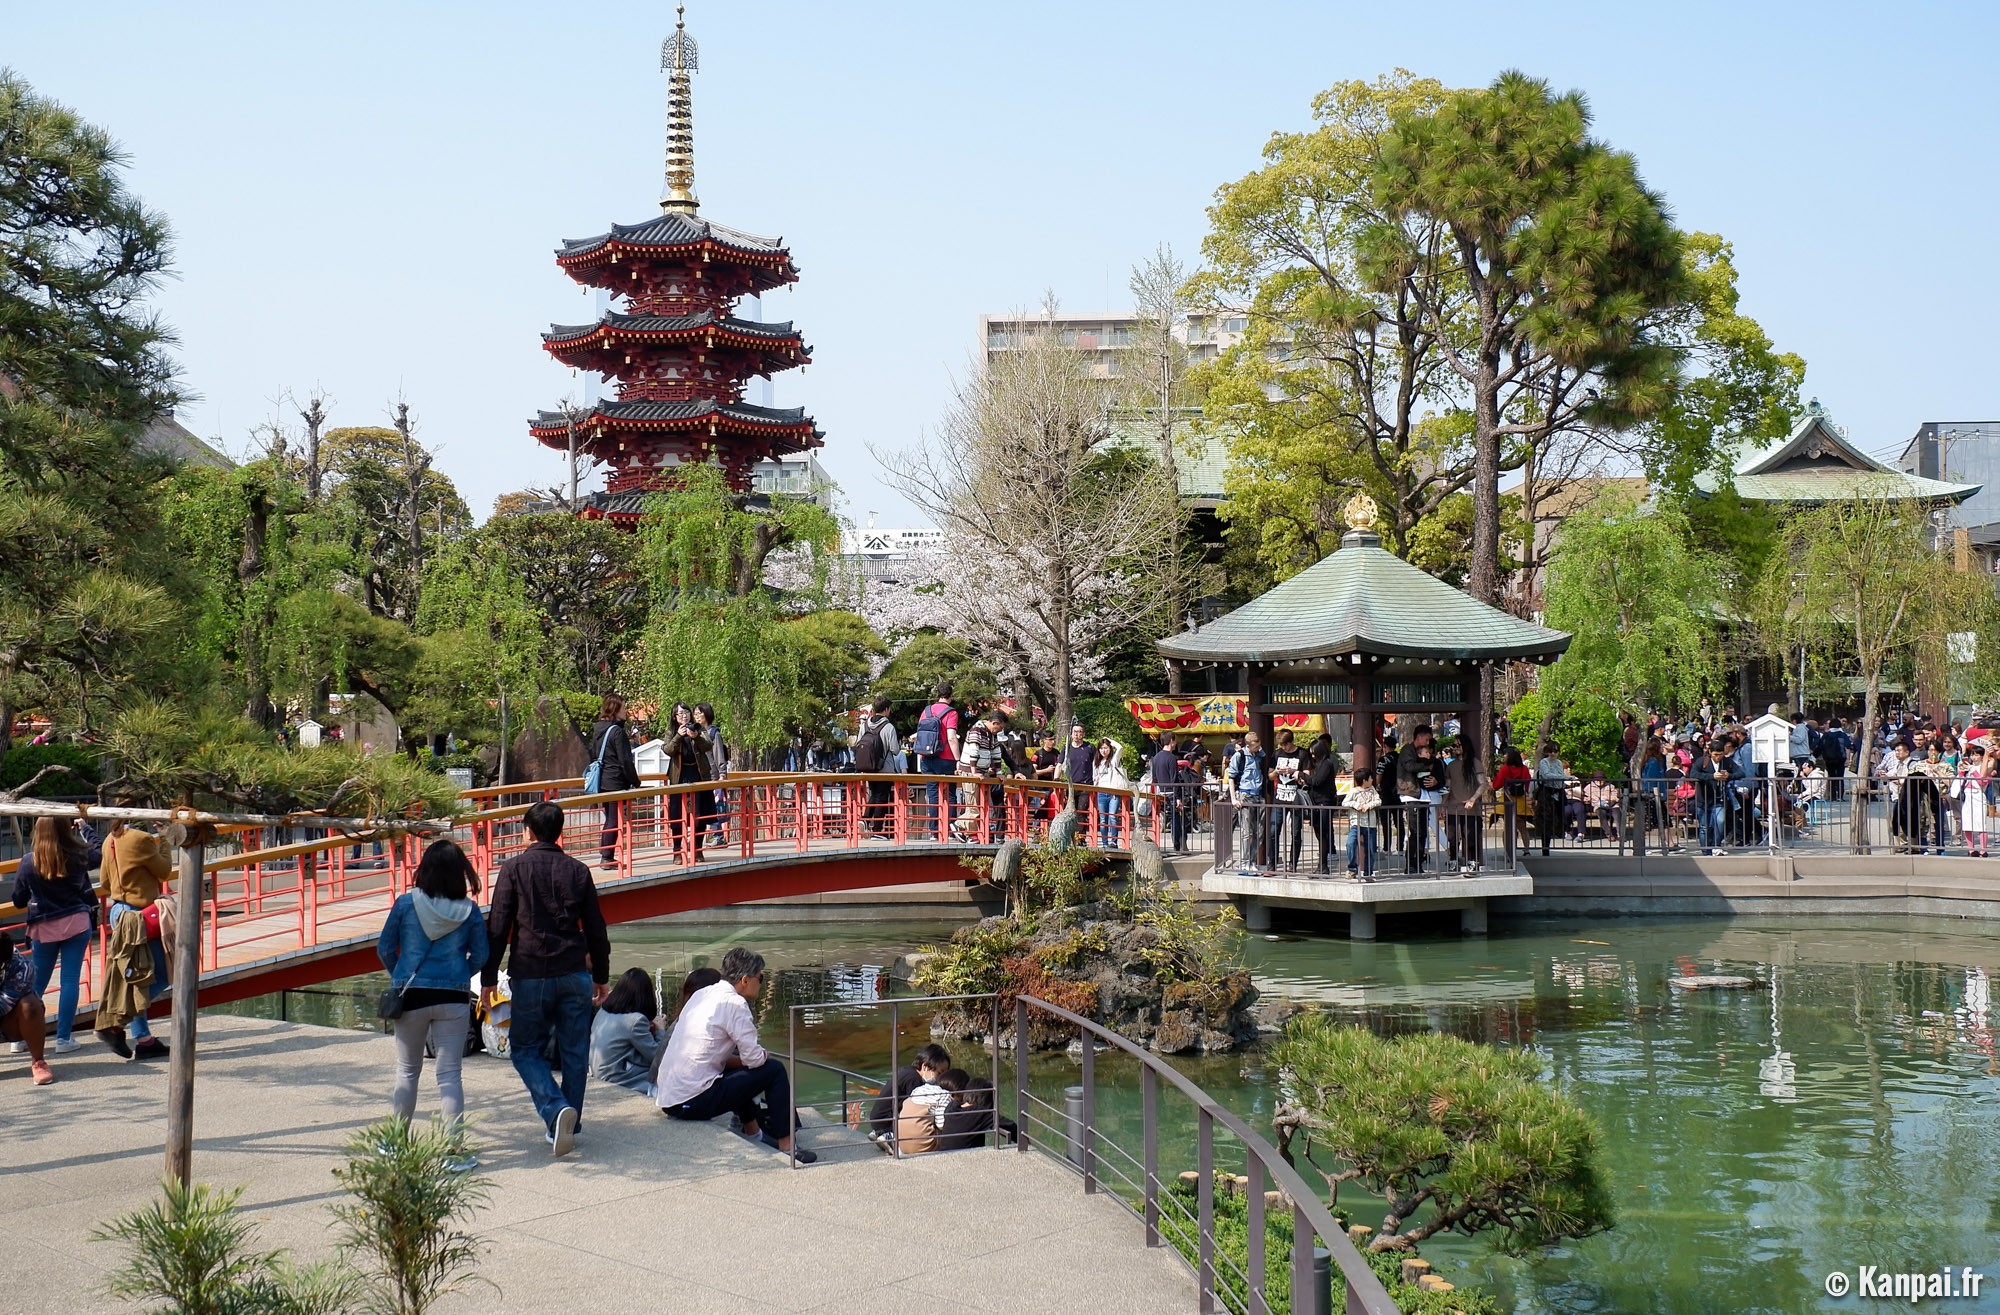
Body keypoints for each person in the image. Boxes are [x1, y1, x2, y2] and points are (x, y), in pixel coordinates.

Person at [481, 801, 611, 1157]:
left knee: (525, 1049)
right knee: (575, 1052)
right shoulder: (578, 871)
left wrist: (489, 977)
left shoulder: (513, 868)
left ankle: (555, 1110)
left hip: (531, 972)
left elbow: (498, 926)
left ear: (528, 831)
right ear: (560, 832)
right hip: (573, 971)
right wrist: (601, 975)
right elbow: (596, 927)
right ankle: (568, 1124)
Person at [655, 947, 815, 1163]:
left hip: (670, 1098)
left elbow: (715, 1057)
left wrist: (746, 1061)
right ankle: (787, 1146)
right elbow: (754, 1059)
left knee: (742, 1069)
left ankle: (753, 1132)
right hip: (692, 1101)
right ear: (745, 980)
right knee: (774, 1070)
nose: (761, 983)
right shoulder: (735, 1004)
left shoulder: (703, 994)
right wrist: (763, 1055)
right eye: (760, 978)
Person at [378, 839, 489, 1149]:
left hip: (411, 996)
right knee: (450, 1075)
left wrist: (400, 976)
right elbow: (481, 955)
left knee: (407, 1072)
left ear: (424, 869)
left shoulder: (405, 904)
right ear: (460, 873)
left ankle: (395, 1145)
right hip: (453, 998)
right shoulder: (469, 911)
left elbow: (385, 948)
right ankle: (453, 1151)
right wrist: (460, 976)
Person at [11, 818, 96, 1059]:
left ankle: (20, 1038)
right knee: (70, 980)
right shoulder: (78, 856)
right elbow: (99, 852)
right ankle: (63, 1038)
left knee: (34, 983)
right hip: (76, 922)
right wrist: (85, 828)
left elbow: (18, 900)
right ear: (65, 829)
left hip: (43, 926)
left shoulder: (29, 861)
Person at [98, 819, 175, 1058]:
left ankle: (144, 1040)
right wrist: (164, 840)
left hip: (118, 912)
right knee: (162, 973)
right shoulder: (141, 839)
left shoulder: (109, 839)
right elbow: (164, 871)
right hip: (139, 918)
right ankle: (116, 1023)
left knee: (135, 978)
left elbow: (104, 881)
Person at [585, 694, 642, 871]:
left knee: (610, 818)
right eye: (623, 707)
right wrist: (636, 781)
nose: (626, 710)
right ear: (615, 710)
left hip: (603, 781)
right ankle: (607, 856)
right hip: (616, 781)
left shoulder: (599, 730)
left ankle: (606, 855)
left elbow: (593, 754)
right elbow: (625, 760)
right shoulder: (617, 732)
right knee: (614, 820)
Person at [590, 967, 663, 1095]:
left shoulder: (603, 1012)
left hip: (599, 1072)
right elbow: (658, 1057)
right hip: (618, 1079)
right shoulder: (635, 1021)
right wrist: (661, 1030)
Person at [868, 1042, 950, 1142]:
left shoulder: (908, 1072)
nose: (941, 1078)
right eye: (939, 1073)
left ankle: (880, 1132)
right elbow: (916, 1108)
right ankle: (889, 1135)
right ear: (925, 1067)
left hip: (878, 1118)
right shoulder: (914, 1080)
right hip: (887, 1120)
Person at [911, 682, 962, 839]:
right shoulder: (951, 712)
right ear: (950, 696)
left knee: (932, 794)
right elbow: (951, 737)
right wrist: (958, 759)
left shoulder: (926, 711)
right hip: (946, 758)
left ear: (937, 694)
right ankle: (950, 830)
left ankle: (934, 831)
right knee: (950, 793)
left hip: (926, 757)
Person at [0, 932, 53, 1084]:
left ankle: (39, 1063)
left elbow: (4, 1004)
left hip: (9, 1019)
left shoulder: (22, 967)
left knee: (30, 1005)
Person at [664, 702, 711, 862]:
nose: (684, 716)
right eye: (680, 713)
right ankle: (677, 851)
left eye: (686, 712)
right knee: (677, 815)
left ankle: (697, 849)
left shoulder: (698, 728)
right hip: (679, 776)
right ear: (675, 717)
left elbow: (708, 745)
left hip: (698, 774)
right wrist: (678, 736)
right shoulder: (671, 731)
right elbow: (667, 750)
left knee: (701, 814)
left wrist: (696, 737)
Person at [895, 1067, 965, 1155]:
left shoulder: (919, 1089)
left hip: (902, 1145)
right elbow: (942, 1124)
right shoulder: (945, 1096)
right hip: (924, 1147)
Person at [1227, 730, 1269, 871]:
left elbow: (1263, 755)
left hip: (1258, 795)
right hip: (1245, 795)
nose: (1258, 748)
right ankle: (1245, 862)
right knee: (1247, 832)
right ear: (1248, 745)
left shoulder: (1258, 754)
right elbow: (1231, 778)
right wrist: (1234, 799)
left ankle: (1252, 860)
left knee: (1259, 831)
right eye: (1255, 746)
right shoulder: (1239, 756)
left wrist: (1259, 750)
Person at [1442, 742, 1486, 873]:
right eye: (1454, 745)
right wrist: (1443, 804)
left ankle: (1473, 862)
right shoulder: (1451, 765)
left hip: (1470, 807)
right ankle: (1453, 860)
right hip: (1453, 806)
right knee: (1452, 836)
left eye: (1458, 745)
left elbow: (1483, 784)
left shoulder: (1475, 763)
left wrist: (1473, 799)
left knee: (1470, 836)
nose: (1455, 748)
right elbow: (1448, 786)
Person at [1694, 740, 1742, 854]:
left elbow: (1741, 773)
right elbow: (1693, 774)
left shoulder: (1726, 761)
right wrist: (1711, 776)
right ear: (1710, 752)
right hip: (1703, 798)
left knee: (1720, 821)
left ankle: (1716, 845)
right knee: (1704, 827)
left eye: (1720, 754)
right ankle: (1706, 851)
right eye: (1715, 754)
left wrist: (1729, 775)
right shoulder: (1702, 761)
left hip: (1719, 798)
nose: (1718, 757)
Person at [693, 703, 729, 847]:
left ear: (707, 714)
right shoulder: (695, 732)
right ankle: (710, 835)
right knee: (705, 806)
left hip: (712, 774)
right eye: (695, 713)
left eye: (699, 713)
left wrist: (722, 773)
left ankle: (718, 835)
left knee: (714, 805)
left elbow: (719, 754)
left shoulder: (714, 733)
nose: (697, 716)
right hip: (700, 775)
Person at [1305, 734, 1342, 874]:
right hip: (1317, 801)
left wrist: (1302, 775)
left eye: (1314, 753)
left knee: (1323, 833)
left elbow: (1317, 781)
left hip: (1324, 801)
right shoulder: (1319, 764)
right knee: (1319, 834)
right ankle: (1322, 865)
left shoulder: (1326, 763)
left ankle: (1323, 865)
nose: (1312, 756)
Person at [1269, 731, 1305, 870]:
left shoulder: (1302, 754)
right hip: (1279, 797)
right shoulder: (1277, 754)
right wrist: (1276, 772)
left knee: (1295, 832)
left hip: (1296, 798)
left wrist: (1293, 772)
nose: (1284, 747)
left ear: (1291, 742)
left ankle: (1292, 864)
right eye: (1281, 745)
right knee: (1273, 830)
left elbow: (1307, 774)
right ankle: (1272, 863)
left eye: (1285, 744)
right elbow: (1270, 775)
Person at [1492, 746, 1532, 866]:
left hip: (1508, 799)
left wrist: (1492, 785)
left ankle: (1509, 851)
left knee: (1508, 828)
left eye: (1505, 754)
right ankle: (1526, 850)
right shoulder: (1524, 769)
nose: (1504, 756)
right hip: (1521, 800)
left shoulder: (1505, 768)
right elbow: (1528, 783)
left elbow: (1497, 785)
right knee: (1522, 827)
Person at [1151, 731, 1188, 854]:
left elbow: (1154, 777)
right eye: (1175, 740)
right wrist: (1178, 798)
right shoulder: (1172, 758)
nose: (1176, 743)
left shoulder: (1155, 758)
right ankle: (1179, 845)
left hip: (1161, 792)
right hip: (1172, 793)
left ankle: (1174, 845)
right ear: (1171, 741)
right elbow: (1174, 779)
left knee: (1168, 819)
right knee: (1177, 820)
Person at [1092, 737, 1131, 848]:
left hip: (1113, 793)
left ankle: (1114, 842)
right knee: (1103, 819)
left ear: (1110, 748)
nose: (1103, 750)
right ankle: (1104, 843)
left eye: (1106, 748)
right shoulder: (1096, 763)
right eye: (1101, 748)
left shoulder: (1113, 760)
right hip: (1101, 792)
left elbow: (1120, 748)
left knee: (1113, 816)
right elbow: (1094, 778)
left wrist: (1110, 741)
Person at [1532, 743, 1569, 856]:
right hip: (1546, 793)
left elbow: (1559, 775)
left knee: (1559, 818)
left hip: (1558, 792)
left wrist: (1563, 781)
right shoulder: (1544, 762)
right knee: (1546, 821)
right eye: (1551, 751)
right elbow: (1546, 775)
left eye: (1555, 751)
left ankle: (1560, 834)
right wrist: (1564, 777)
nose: (1553, 754)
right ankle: (1545, 849)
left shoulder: (1558, 762)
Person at [1343, 767, 1381, 878]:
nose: (1372, 780)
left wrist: (1369, 805)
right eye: (1370, 778)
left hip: (1370, 824)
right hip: (1356, 823)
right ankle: (1352, 868)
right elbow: (1345, 803)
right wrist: (1356, 805)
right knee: (1350, 844)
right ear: (1364, 780)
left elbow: (1378, 800)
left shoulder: (1372, 790)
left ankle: (1368, 873)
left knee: (1370, 849)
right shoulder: (1353, 791)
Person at [1958, 744, 1993, 857]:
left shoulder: (1986, 767)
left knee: (1981, 824)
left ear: (1982, 756)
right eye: (1972, 755)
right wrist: (1961, 771)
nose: (1974, 757)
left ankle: (1983, 850)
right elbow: (1961, 780)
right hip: (1967, 796)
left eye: (1976, 755)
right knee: (1967, 823)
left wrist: (1973, 770)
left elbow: (1982, 781)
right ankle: (1971, 849)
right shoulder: (1969, 767)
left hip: (1978, 795)